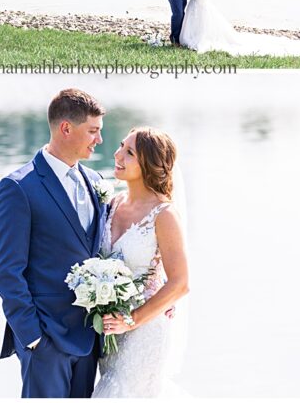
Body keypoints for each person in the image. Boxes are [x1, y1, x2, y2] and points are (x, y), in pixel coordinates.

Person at [0, 89, 107, 398]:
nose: (99, 140)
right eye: (93, 131)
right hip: (46, 339)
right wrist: (32, 337)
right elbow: (6, 271)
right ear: (66, 128)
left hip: (89, 337)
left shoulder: (96, 182)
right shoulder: (18, 188)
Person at [92, 127, 190, 397]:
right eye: (121, 146)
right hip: (110, 333)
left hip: (144, 332)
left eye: (129, 152)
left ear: (149, 164)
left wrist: (131, 320)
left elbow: (180, 284)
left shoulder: (164, 214)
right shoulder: (112, 203)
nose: (117, 154)